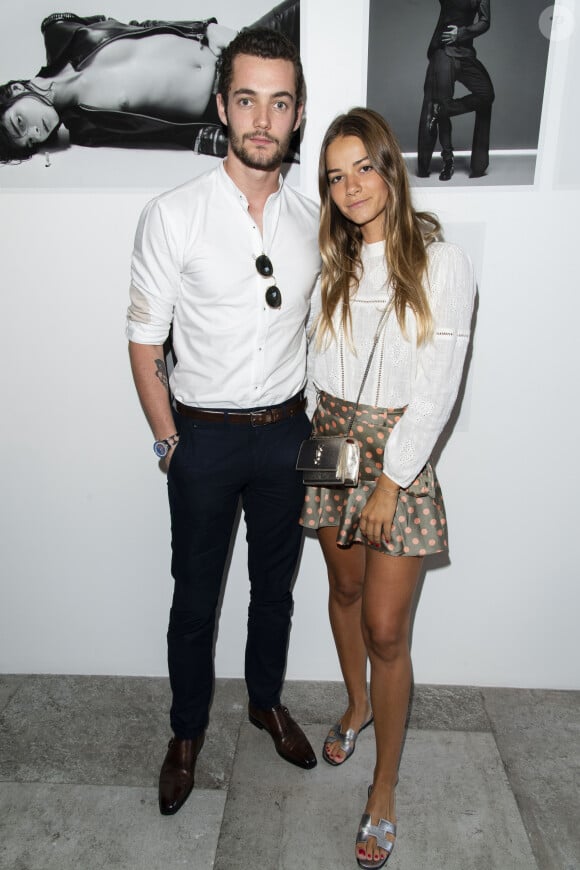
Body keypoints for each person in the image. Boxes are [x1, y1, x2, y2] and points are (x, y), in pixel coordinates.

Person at [126, 25, 320, 816]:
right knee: (193, 600)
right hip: (200, 436)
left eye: (279, 102)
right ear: (222, 106)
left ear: (298, 113)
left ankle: (265, 703)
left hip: (286, 434)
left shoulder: (316, 221)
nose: (262, 119)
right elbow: (144, 343)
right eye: (248, 100)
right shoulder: (172, 214)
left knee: (274, 591)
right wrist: (172, 444)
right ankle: (184, 736)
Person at [301, 107, 475, 868]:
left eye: (362, 168)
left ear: (390, 168)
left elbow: (438, 387)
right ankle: (358, 703)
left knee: (385, 629)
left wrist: (392, 479)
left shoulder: (442, 263)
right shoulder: (332, 263)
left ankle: (384, 786)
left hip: (396, 456)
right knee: (341, 594)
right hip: (331, 445)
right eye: (336, 177)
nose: (351, 188)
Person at [0, 1, 299, 162]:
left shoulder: (60, 29)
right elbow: (163, 137)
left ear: (15, 90)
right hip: (243, 105)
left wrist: (207, 28)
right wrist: (236, 144)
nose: (36, 133)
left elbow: (140, 29)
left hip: (239, 47)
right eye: (30, 142)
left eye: (20, 124)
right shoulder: (86, 129)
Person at [417, 0, 494, 180]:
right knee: (442, 98)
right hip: (443, 51)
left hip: (465, 52)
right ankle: (448, 160)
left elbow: (485, 21)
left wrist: (461, 33)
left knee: (487, 94)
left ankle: (440, 111)